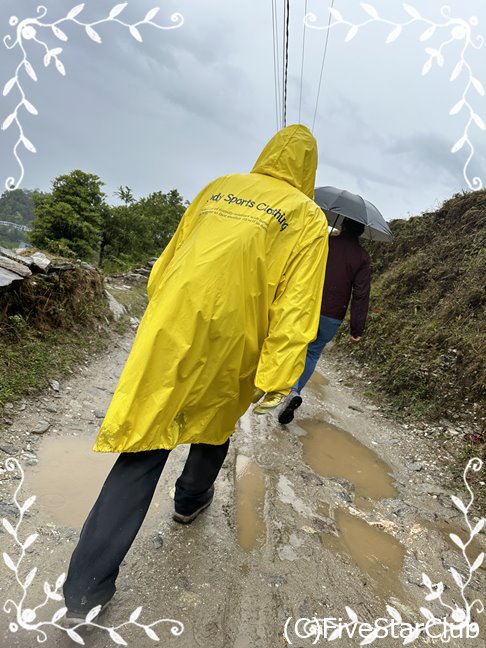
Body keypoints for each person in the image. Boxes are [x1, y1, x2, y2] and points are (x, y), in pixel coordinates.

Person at [62, 124, 329, 623]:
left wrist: (164, 306)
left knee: (145, 445)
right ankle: (191, 499)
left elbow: (169, 260)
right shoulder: (308, 217)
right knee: (215, 422)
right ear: (309, 168)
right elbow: (297, 306)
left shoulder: (219, 186)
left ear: (268, 153)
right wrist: (278, 375)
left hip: (172, 324)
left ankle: (84, 590)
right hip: (234, 337)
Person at [278, 217, 371, 424]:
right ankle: (293, 392)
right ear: (361, 232)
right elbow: (360, 295)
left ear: (343, 226)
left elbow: (300, 270)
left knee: (295, 346)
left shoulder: (325, 243)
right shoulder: (362, 258)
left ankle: (283, 388)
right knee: (312, 354)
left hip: (307, 305)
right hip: (332, 315)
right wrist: (356, 328)